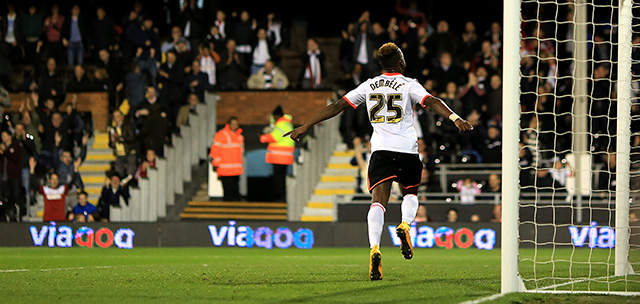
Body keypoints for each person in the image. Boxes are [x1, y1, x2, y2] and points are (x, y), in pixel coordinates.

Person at [285, 42, 472, 280]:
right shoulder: (409, 84)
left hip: (381, 150)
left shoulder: (369, 85)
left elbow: (338, 105)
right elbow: (432, 101)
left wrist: (307, 125)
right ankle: (405, 225)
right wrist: (455, 118)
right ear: (400, 62)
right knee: (411, 193)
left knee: (378, 202)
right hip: (406, 149)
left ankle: (375, 249)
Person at [260, 106, 295, 202]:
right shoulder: (287, 124)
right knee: (282, 178)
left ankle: (280, 197)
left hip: (279, 157)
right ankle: (282, 196)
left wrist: (263, 138)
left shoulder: (280, 124)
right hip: (286, 156)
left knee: (278, 179)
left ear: (276, 116)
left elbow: (274, 137)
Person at [210, 117, 244, 201]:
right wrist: (216, 165)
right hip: (225, 169)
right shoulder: (221, 135)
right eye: (233, 124)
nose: (234, 126)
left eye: (236, 124)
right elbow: (215, 151)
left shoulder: (239, 136)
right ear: (228, 124)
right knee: (228, 193)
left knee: (235, 192)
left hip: (235, 170)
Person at [0, 130, 23, 221]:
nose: (3, 138)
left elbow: (15, 157)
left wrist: (5, 150)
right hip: (4, 177)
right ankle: (7, 215)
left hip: (14, 177)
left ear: (10, 136)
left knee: (15, 196)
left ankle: (17, 215)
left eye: (4, 135)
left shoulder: (16, 146)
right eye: (2, 136)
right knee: (6, 197)